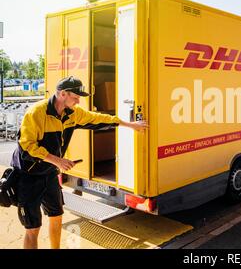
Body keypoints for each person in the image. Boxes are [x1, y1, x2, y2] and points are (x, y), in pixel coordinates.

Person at [10, 76, 148, 249]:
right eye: (76, 97)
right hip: (28, 175)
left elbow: (97, 118)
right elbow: (27, 146)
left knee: (56, 215)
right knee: (33, 227)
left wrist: (129, 124)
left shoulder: (72, 114)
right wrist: (58, 161)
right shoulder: (36, 113)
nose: (78, 101)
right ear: (63, 94)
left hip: (50, 173)